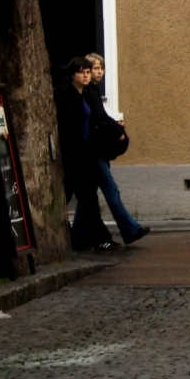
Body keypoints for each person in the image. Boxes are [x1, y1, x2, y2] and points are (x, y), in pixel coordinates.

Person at [75, 53, 150, 246]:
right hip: (94, 150)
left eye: (101, 68)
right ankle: (130, 229)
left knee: (89, 192)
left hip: (92, 149)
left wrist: (114, 124)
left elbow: (99, 117)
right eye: (94, 69)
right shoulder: (89, 92)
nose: (98, 72)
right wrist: (118, 130)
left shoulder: (91, 91)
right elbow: (98, 118)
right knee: (110, 189)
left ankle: (79, 234)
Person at [55, 57, 119, 251]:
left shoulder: (82, 93)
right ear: (73, 74)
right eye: (82, 72)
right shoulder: (68, 95)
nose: (86, 75)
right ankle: (98, 239)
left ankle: (83, 238)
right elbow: (68, 127)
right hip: (75, 154)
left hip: (83, 152)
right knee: (86, 198)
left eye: (88, 71)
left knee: (85, 198)